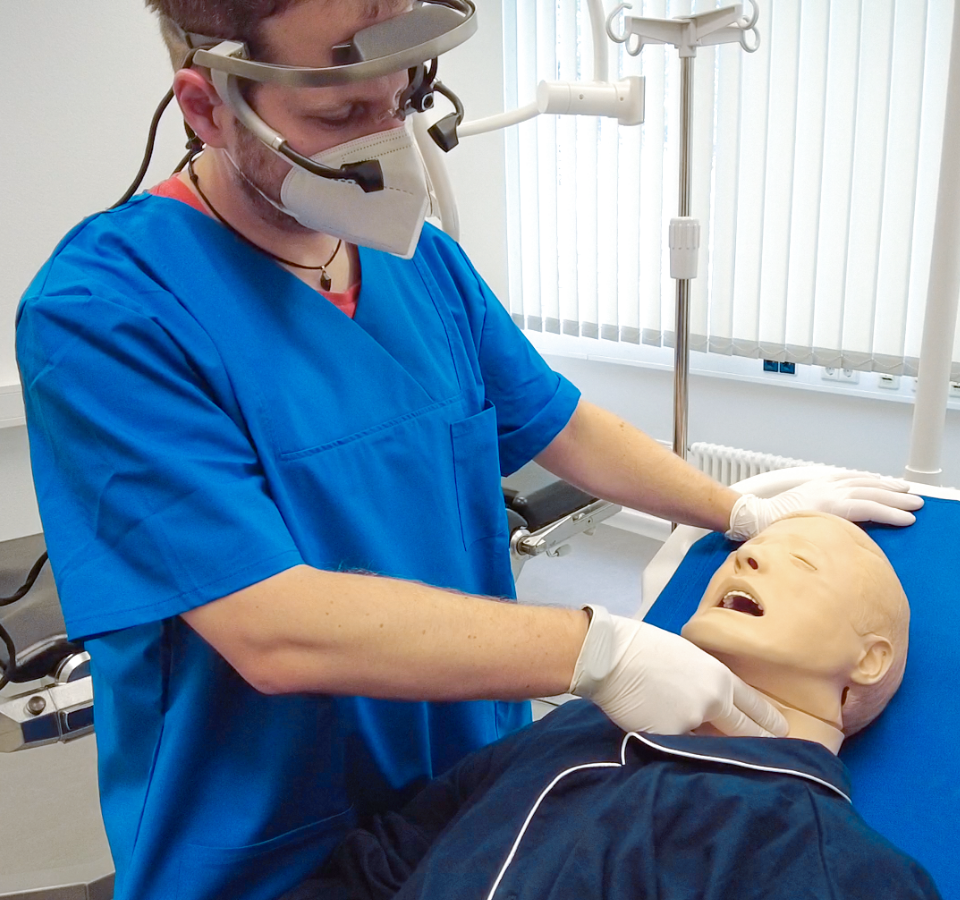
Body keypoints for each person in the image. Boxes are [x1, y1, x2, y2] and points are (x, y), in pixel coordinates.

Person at [13, 3, 924, 899]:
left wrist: (735, 510)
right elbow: (270, 627)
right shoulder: (108, 313)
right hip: (266, 846)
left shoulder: (422, 266)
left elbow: (560, 425)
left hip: (470, 794)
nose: (390, 140)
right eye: (339, 113)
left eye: (406, 96)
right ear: (208, 106)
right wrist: (596, 650)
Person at [300, 513, 941, 900]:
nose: (748, 554)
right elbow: (382, 865)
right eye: (755, 545)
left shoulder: (828, 859)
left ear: (869, 661)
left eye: (800, 562)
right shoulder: (578, 725)